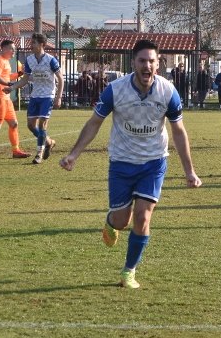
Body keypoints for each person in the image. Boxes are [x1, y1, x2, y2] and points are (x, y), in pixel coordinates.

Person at [59, 39, 202, 289]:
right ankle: (111, 222)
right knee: (122, 220)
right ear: (133, 63)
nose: (147, 65)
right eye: (142, 60)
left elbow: (178, 131)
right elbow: (95, 122)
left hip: (154, 162)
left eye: (151, 61)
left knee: (143, 217)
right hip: (122, 162)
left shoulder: (168, 91)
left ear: (159, 64)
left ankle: (129, 271)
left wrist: (189, 171)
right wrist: (74, 154)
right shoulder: (115, 90)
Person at [10, 33, 64, 164]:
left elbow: (61, 79)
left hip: (48, 95)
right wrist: (12, 87)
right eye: (31, 42)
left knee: (42, 124)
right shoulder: (29, 60)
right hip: (35, 96)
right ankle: (49, 142)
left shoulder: (51, 60)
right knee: (30, 125)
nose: (31, 45)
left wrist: (58, 97)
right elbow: (25, 79)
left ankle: (39, 153)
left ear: (42, 45)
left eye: (33, 43)